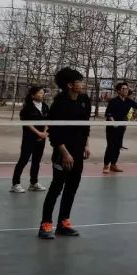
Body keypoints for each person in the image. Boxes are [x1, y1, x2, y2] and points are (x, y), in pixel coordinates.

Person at [39, 67, 92, 240]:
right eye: (79, 81)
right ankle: (45, 224)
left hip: (78, 150)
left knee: (72, 188)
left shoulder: (84, 100)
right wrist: (64, 153)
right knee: (56, 188)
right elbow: (54, 132)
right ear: (70, 85)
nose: (82, 84)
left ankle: (63, 223)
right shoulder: (59, 103)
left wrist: (86, 145)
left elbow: (85, 125)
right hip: (63, 151)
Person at [11, 85, 49, 193]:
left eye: (43, 93)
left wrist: (45, 133)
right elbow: (27, 123)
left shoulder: (45, 106)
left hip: (41, 138)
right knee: (23, 160)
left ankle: (33, 183)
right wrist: (38, 133)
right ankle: (15, 184)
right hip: (29, 138)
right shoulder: (27, 107)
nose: (42, 95)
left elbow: (48, 120)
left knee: (36, 161)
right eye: (40, 93)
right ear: (33, 95)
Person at [102, 82, 137, 175]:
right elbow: (108, 113)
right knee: (111, 146)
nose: (126, 90)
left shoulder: (128, 101)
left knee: (118, 146)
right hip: (111, 127)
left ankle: (113, 165)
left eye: (126, 88)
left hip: (121, 127)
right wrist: (113, 122)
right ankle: (106, 165)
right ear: (119, 91)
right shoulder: (113, 101)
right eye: (123, 88)